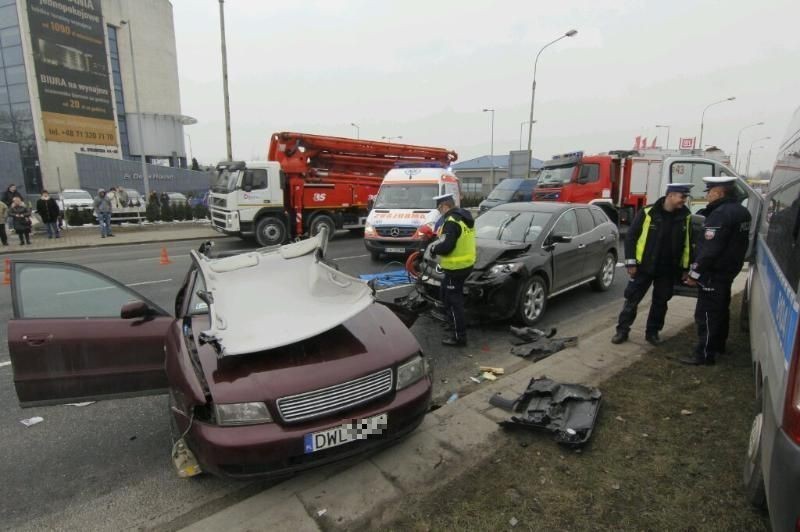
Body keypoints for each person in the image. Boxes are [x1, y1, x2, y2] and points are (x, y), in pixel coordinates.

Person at [680, 176, 752, 365]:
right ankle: (719, 345)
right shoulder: (742, 212)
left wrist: (695, 273)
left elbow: (710, 248)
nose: (708, 196)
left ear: (719, 193)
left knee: (707, 314)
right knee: (721, 309)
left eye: (709, 192)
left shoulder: (720, 214)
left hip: (714, 272)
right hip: (729, 270)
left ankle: (704, 354)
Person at [612, 183, 694, 345]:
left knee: (660, 302)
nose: (683, 201)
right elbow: (631, 237)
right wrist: (631, 263)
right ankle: (622, 331)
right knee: (632, 300)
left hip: (668, 269)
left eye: (685, 197)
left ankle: (652, 333)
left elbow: (687, 244)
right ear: (670, 195)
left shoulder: (685, 216)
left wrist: (685, 269)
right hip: (644, 267)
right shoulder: (648, 212)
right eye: (682, 197)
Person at [428, 193, 476, 347]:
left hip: (456, 267)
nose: (438, 211)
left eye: (439, 208)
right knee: (445, 294)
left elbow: (447, 247)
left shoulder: (451, 221)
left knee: (454, 302)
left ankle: (459, 337)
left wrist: (435, 248)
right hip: (465, 264)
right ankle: (451, 323)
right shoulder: (464, 218)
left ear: (445, 206)